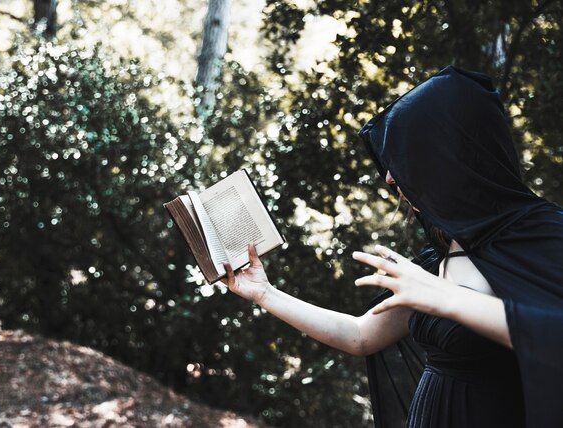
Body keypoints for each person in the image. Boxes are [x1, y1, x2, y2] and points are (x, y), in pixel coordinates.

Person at [222, 66, 563, 428]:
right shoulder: (439, 257)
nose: (388, 177)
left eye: (406, 156)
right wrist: (265, 293)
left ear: (451, 153)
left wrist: (449, 299)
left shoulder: (544, 235)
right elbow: (360, 336)